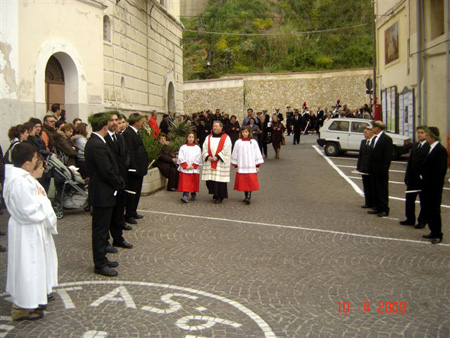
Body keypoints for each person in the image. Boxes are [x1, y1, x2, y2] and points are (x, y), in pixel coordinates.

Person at [3, 143, 58, 321]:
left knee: (34, 266)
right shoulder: (19, 182)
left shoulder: (24, 179)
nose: (37, 162)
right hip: (26, 230)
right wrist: (43, 203)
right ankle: (22, 307)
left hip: (31, 229)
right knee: (27, 267)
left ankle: (33, 298)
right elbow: (27, 210)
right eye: (35, 159)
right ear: (27, 164)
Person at [85, 112, 125, 277]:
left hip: (105, 191)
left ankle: (102, 258)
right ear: (104, 126)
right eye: (110, 122)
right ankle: (99, 263)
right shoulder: (96, 144)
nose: (112, 124)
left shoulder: (98, 141)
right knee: (100, 229)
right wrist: (119, 183)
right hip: (102, 192)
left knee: (102, 228)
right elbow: (106, 170)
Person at [421, 126, 448, 244]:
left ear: (432, 136)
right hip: (427, 185)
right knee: (428, 208)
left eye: (427, 135)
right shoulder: (430, 148)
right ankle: (432, 230)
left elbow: (441, 171)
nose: (425, 137)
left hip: (434, 186)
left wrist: (432, 182)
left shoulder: (440, 150)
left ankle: (438, 233)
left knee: (435, 210)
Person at [400, 126, 429, 227]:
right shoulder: (415, 146)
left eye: (422, 132)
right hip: (412, 179)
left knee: (423, 201)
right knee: (409, 199)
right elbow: (410, 162)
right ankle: (410, 218)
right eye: (418, 132)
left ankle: (422, 221)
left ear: (427, 134)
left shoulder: (428, 147)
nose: (419, 134)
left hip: (422, 180)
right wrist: (407, 176)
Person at [122, 113, 148, 224]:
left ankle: (133, 211)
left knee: (137, 191)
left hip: (139, 168)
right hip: (134, 169)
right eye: (141, 120)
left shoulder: (135, 132)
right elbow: (130, 152)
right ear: (136, 121)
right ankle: (129, 214)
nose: (142, 123)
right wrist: (133, 167)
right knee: (132, 192)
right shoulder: (128, 133)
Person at [231, 126, 264, 204]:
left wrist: (257, 165)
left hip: (251, 164)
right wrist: (236, 164)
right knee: (244, 181)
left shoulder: (253, 142)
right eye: (243, 132)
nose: (245, 133)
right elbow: (235, 153)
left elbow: (257, 153)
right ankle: (246, 195)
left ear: (249, 133)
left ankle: (249, 196)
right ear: (241, 133)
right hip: (242, 164)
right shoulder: (238, 142)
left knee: (250, 181)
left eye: (246, 132)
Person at [201, 120, 232, 204]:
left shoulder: (226, 138)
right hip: (210, 161)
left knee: (220, 180)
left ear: (221, 127)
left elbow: (227, 150)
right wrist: (208, 156)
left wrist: (218, 157)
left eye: (216, 126)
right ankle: (214, 193)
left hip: (220, 162)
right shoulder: (208, 137)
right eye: (213, 126)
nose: (214, 128)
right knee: (210, 180)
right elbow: (204, 148)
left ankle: (220, 196)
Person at [367, 120, 392, 217]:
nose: (372, 128)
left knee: (382, 190)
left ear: (378, 128)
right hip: (373, 169)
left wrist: (384, 170)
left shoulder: (386, 139)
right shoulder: (374, 138)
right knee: (375, 189)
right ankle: (376, 207)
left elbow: (387, 157)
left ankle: (384, 209)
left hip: (381, 170)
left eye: (373, 127)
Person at [177, 131, 201, 203]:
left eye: (192, 137)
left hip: (193, 168)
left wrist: (193, 165)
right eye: (189, 137)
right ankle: (185, 196)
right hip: (186, 168)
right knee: (186, 183)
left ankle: (193, 193)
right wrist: (185, 166)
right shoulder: (183, 147)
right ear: (187, 138)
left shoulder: (197, 148)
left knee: (193, 182)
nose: (191, 139)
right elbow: (180, 157)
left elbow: (198, 157)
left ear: (194, 139)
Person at [357, 126, 375, 209]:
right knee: (366, 186)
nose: (364, 134)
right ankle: (367, 202)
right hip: (364, 168)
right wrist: (359, 167)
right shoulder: (363, 142)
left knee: (372, 186)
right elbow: (360, 156)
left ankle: (373, 203)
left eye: (366, 132)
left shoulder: (374, 142)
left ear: (371, 132)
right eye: (364, 132)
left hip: (371, 169)